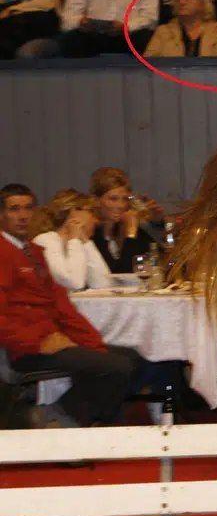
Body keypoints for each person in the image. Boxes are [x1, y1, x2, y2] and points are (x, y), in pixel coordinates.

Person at [0, 183, 137, 429]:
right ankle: (66, 420)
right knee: (117, 367)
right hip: (24, 348)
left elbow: (62, 306)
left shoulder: (33, 251)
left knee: (131, 358)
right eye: (14, 209)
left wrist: (92, 343)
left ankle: (58, 416)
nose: (23, 216)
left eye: (28, 208)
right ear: (2, 214)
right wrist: (36, 343)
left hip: (52, 339)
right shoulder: (4, 252)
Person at [30, 189, 113, 292]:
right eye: (91, 212)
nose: (96, 221)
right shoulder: (45, 241)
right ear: (74, 212)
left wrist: (86, 242)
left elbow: (103, 283)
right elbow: (74, 282)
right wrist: (74, 240)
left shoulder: (78, 244)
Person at [89, 168, 163, 275]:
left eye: (125, 199)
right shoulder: (91, 235)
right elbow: (122, 275)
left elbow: (160, 258)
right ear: (96, 200)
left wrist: (156, 224)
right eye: (113, 199)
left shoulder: (125, 228)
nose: (121, 206)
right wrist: (131, 233)